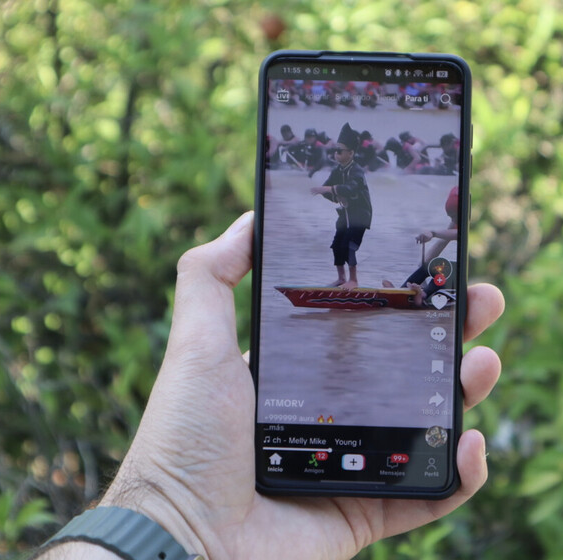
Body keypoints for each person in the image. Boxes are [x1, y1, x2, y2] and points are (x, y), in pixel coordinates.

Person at [31, 211, 505, 559]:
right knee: (425, 275)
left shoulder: (448, 252)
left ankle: (414, 293)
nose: (448, 222)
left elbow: (446, 244)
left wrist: (171, 514)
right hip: (423, 287)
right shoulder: (441, 246)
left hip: (429, 297)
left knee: (433, 288)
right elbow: (441, 244)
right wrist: (173, 510)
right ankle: (410, 289)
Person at [310, 123, 373, 289]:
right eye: (335, 150)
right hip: (345, 213)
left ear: (351, 153)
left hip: (360, 215)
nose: (336, 154)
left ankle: (354, 280)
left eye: (339, 151)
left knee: (350, 245)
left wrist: (330, 190)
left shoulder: (357, 171)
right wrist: (334, 195)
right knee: (337, 245)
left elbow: (351, 188)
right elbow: (326, 189)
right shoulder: (338, 170)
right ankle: (341, 278)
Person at [383, 186, 460, 307]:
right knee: (433, 265)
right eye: (451, 217)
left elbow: (458, 234)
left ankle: (423, 295)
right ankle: (402, 291)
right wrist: (424, 267)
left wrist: (433, 233)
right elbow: (442, 242)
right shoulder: (457, 220)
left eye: (455, 216)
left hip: (470, 276)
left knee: (445, 268)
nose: (453, 221)